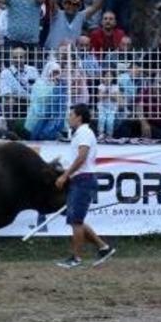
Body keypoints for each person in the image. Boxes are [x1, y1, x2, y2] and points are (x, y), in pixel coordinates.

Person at [55, 104, 117, 269]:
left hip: (83, 179)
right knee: (77, 220)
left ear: (79, 117)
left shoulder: (83, 133)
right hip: (81, 179)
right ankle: (104, 248)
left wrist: (65, 175)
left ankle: (76, 258)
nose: (69, 117)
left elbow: (82, 157)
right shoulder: (82, 133)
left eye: (71, 115)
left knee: (76, 221)